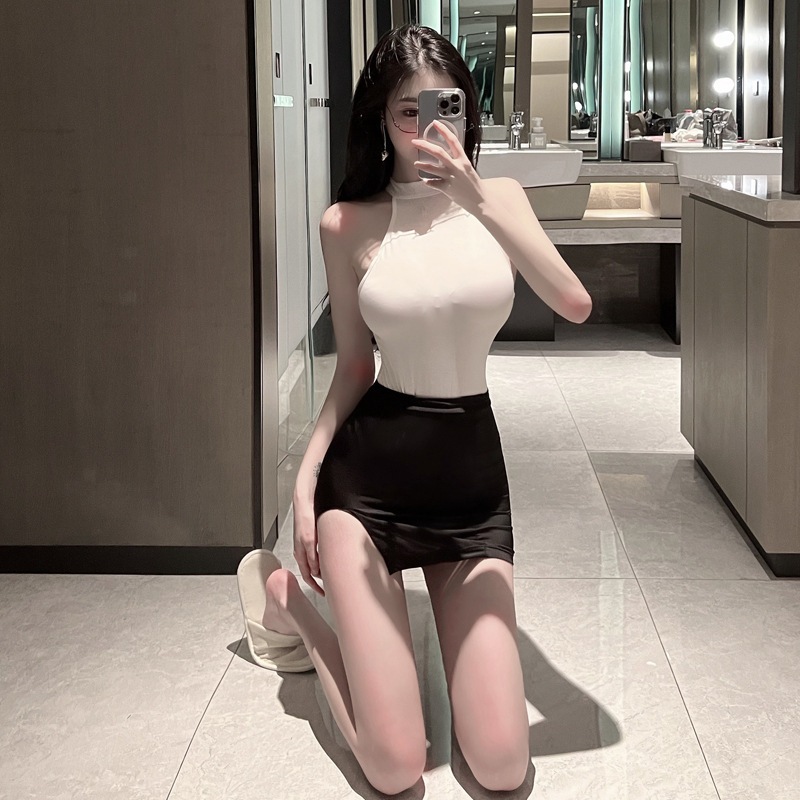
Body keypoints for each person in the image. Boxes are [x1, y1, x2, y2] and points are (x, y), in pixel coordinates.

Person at [238, 23, 592, 796]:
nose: (432, 126)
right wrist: (306, 479)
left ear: (469, 108)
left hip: (470, 487)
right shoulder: (348, 223)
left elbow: (575, 301)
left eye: (448, 105)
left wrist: (474, 197)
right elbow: (355, 367)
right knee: (397, 768)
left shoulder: (501, 200)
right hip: (369, 489)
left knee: (502, 765)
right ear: (379, 119)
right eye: (409, 111)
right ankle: (292, 606)